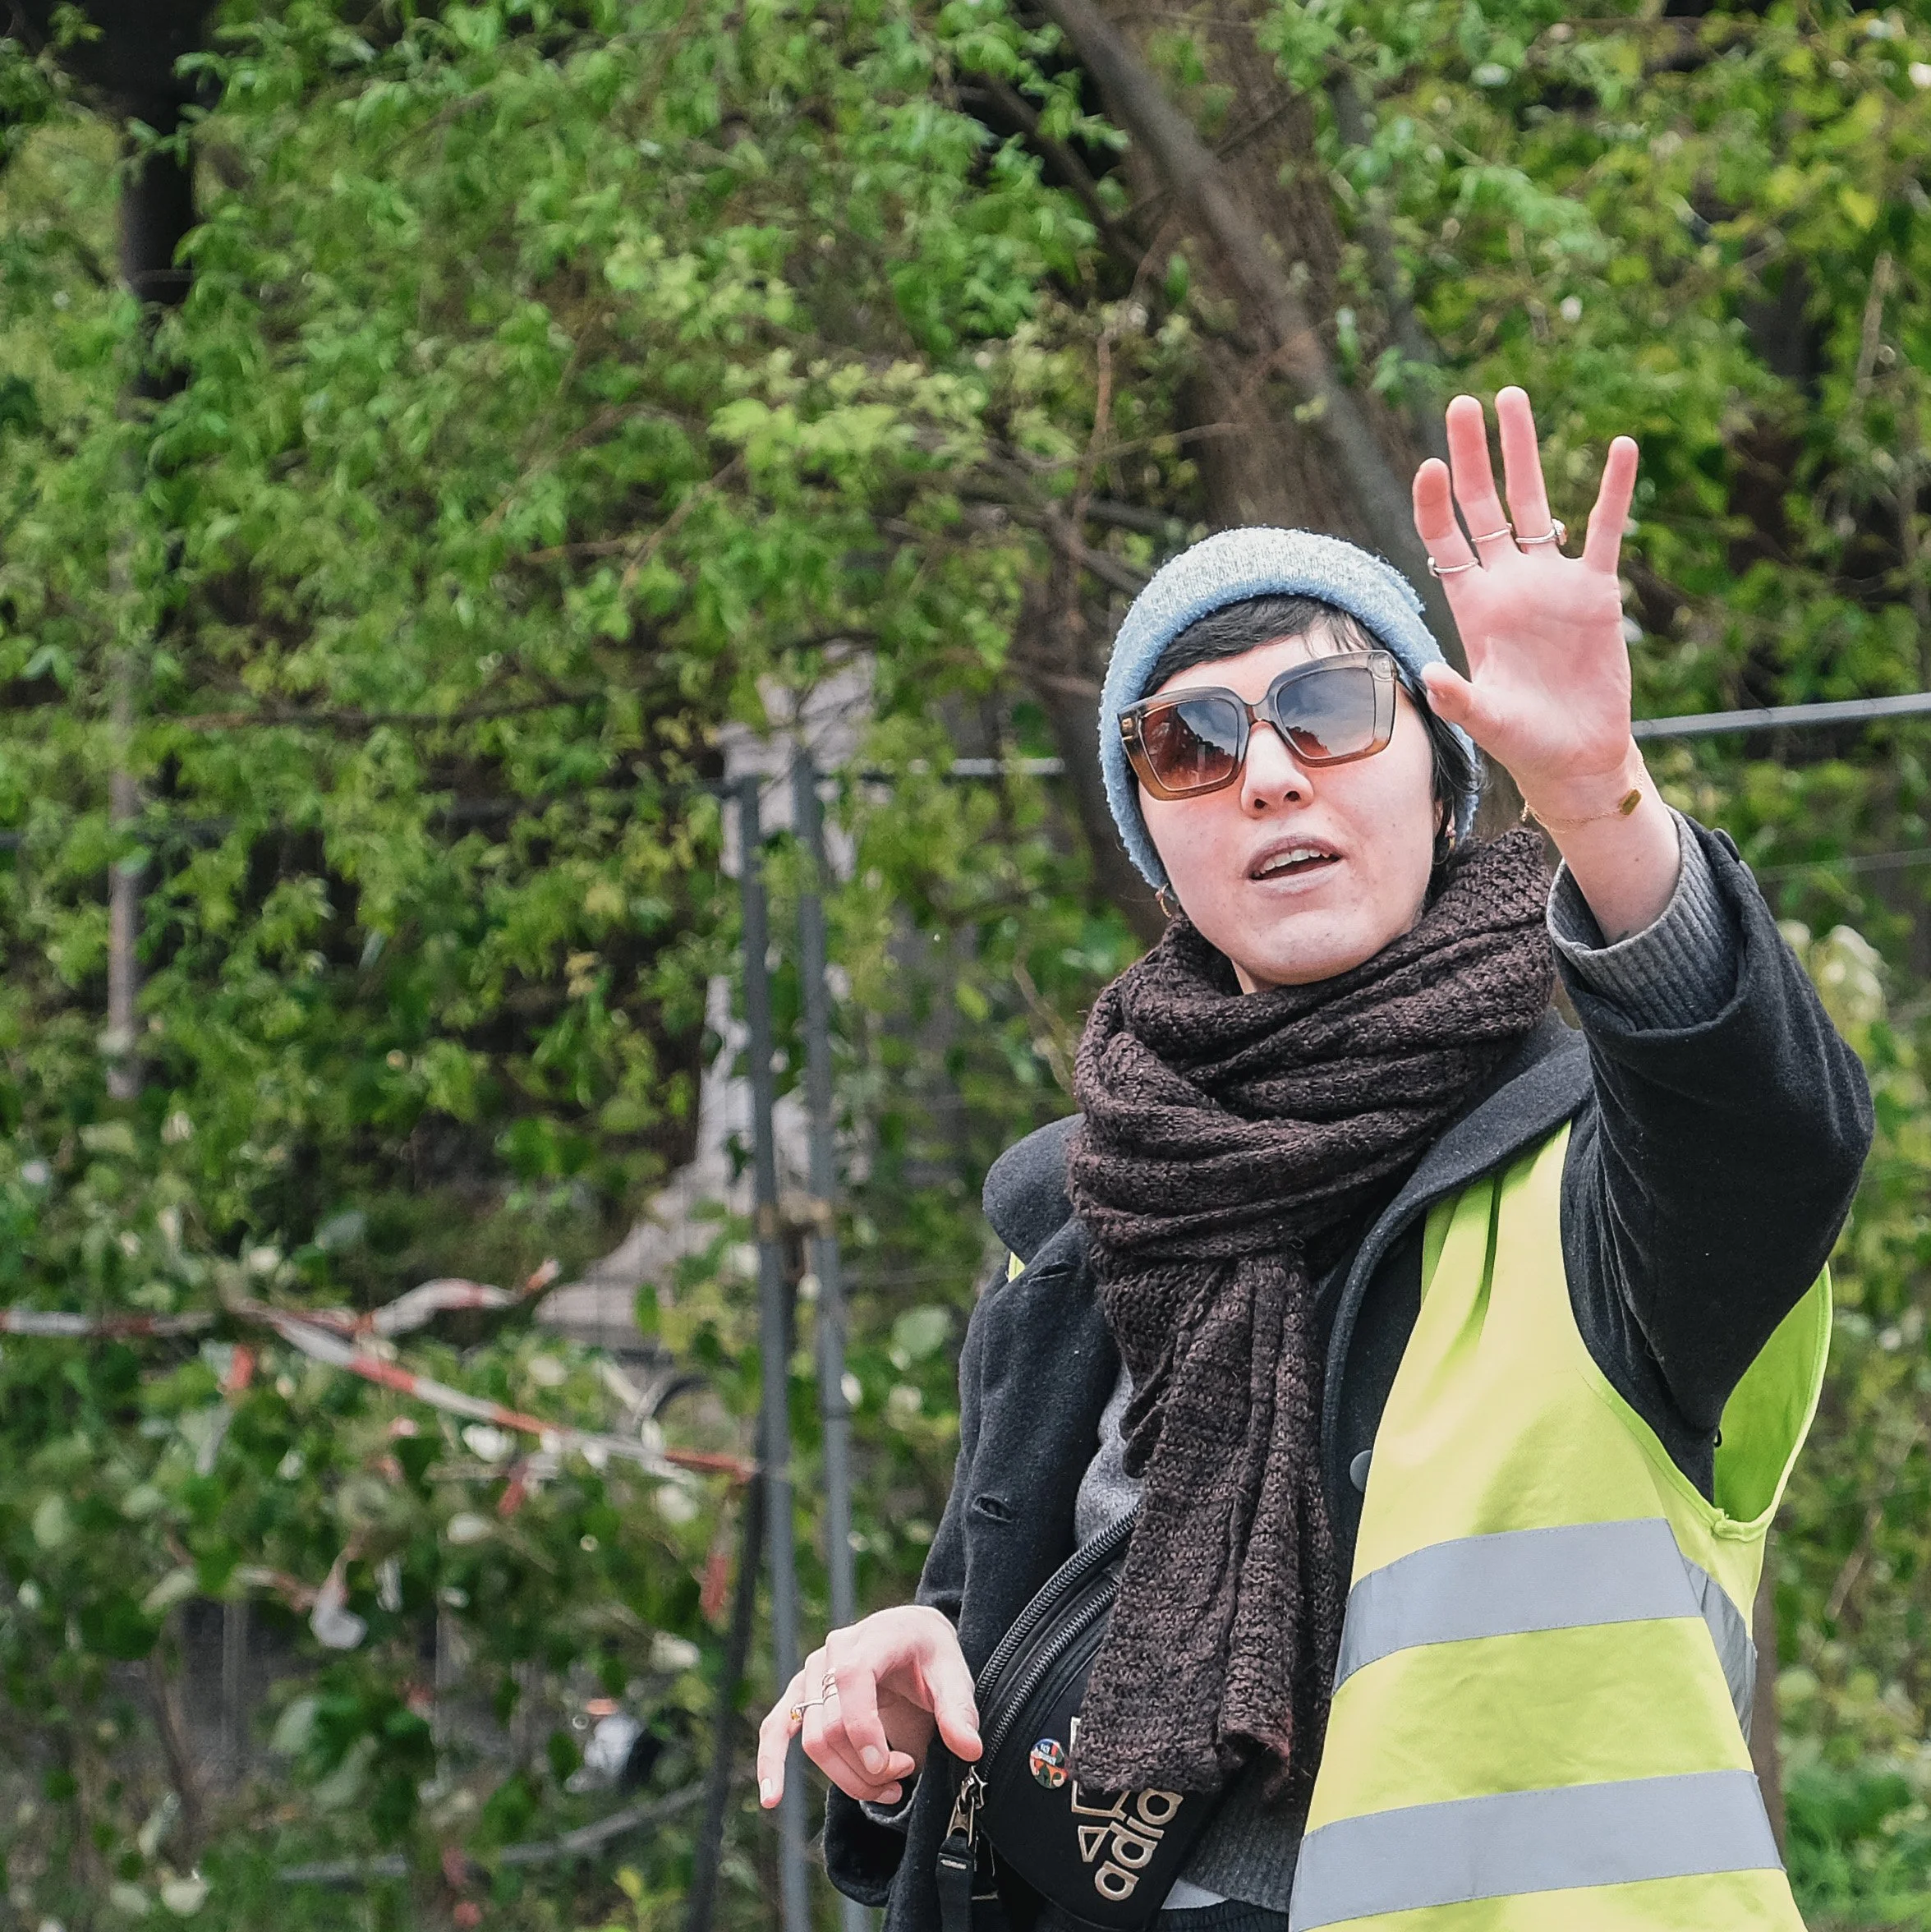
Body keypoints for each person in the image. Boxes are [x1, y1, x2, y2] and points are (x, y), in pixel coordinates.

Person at [757, 388, 1874, 1931]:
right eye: (1188, 745)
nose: (1268, 774)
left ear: (1438, 770)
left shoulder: (1595, 1178)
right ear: (1156, 839)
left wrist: (1604, 807)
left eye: (1329, 713)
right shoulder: (1082, 1209)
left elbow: (1771, 1138)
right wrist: (905, 1683)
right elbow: (1002, 1624)